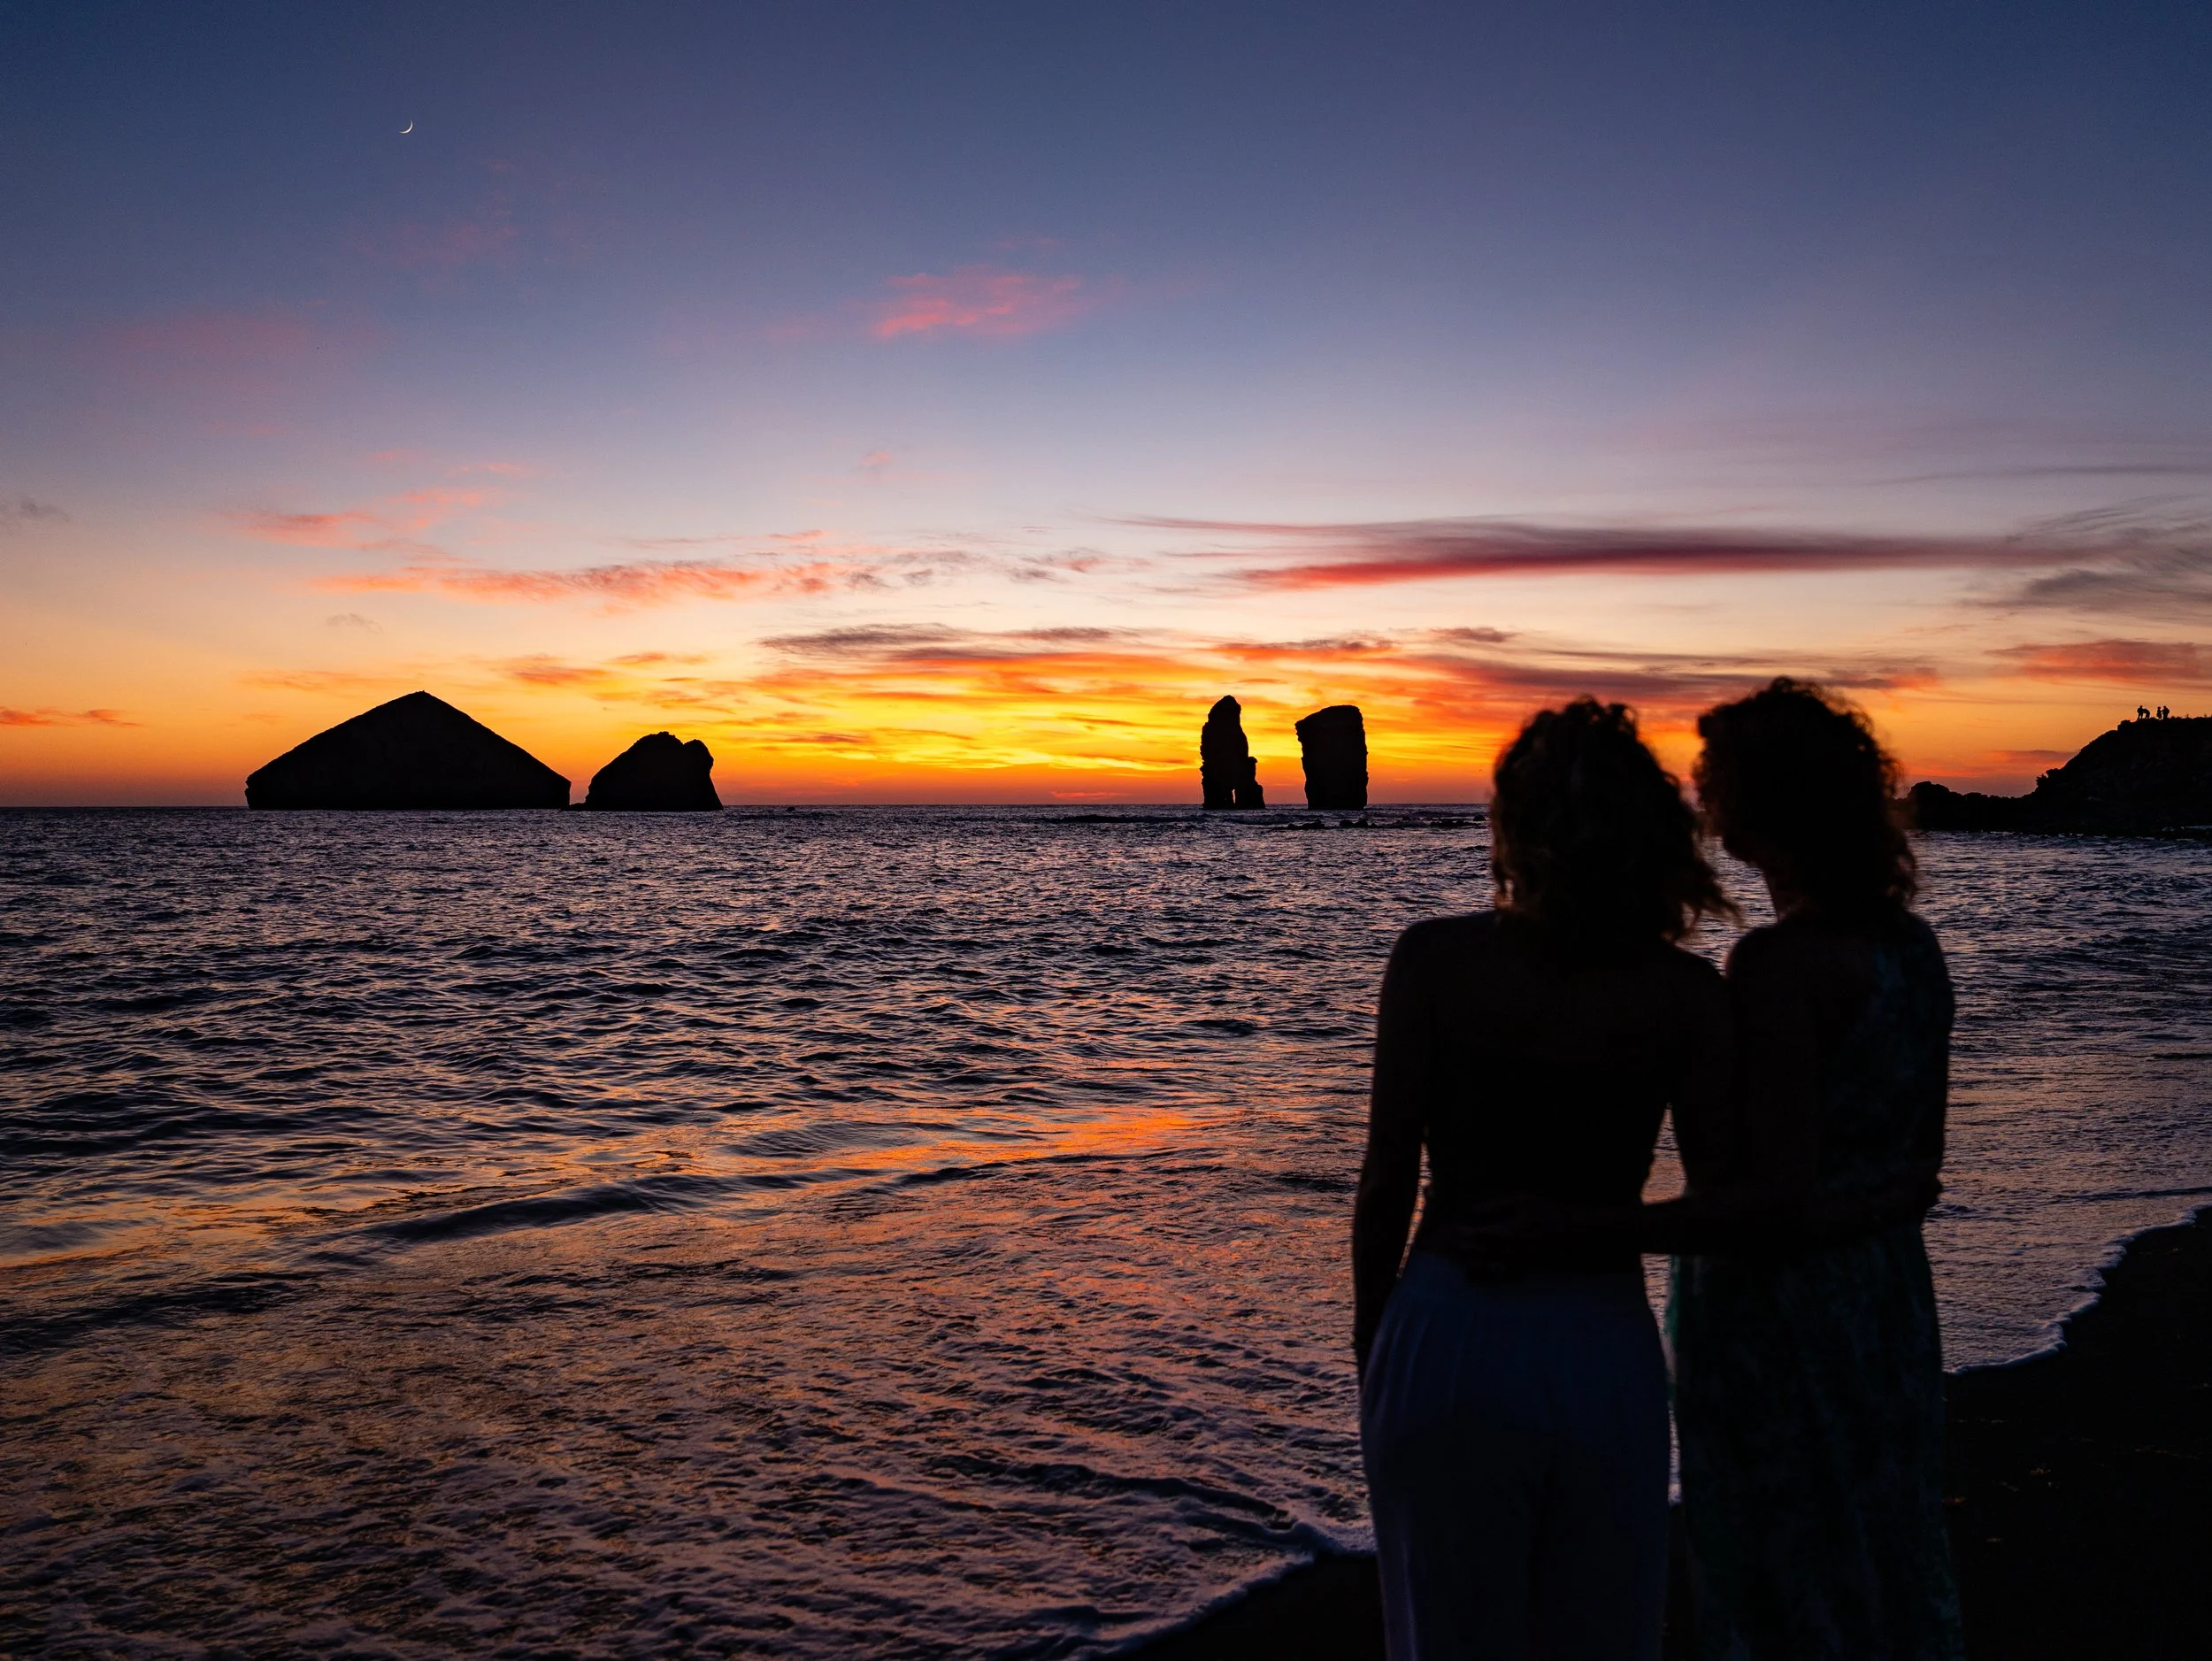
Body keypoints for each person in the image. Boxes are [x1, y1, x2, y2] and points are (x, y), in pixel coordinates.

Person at [1354, 698, 1732, 1661]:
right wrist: (1595, 1228)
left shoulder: (1433, 960)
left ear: (1511, 824)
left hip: (1447, 1330)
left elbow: (1388, 1172)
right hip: (1600, 1341)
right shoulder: (1683, 994)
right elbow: (1728, 1207)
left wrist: (1374, 1340)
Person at [1669, 679, 1965, 1660]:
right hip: (1886, 1293)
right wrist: (1876, 1202)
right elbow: (1919, 1168)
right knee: (1884, 1542)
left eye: (1712, 786)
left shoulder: (1775, 965)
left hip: (1778, 1321)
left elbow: (1770, 1202)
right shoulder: (1914, 950)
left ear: (1752, 811)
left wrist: (1583, 1228)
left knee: (1781, 1565)